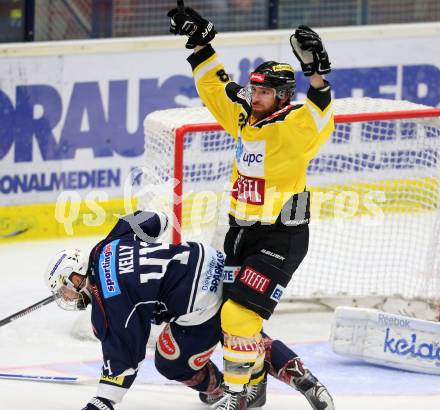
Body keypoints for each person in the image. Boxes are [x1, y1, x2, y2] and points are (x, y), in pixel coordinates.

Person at [167, 4, 334, 409]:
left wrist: (315, 73)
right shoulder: (245, 116)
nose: (254, 96)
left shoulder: (295, 128)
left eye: (263, 92)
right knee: (234, 315)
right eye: (253, 89)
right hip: (240, 233)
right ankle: (271, 381)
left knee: (238, 318)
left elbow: (320, 114)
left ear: (281, 96)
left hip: (282, 235)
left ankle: (236, 396)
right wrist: (201, 41)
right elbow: (215, 88)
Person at [45, 210, 333, 410]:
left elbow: (123, 359)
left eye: (64, 289)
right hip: (218, 261)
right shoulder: (106, 245)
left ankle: (225, 390)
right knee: (239, 325)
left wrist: (102, 401)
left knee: (169, 359)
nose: (67, 296)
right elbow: (155, 219)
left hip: (199, 299)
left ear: (76, 276)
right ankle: (303, 377)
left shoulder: (109, 302)